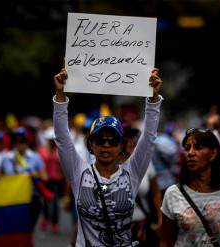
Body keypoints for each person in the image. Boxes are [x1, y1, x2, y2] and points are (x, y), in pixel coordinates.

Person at [53, 67, 163, 246]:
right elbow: (62, 139)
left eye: (112, 141)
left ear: (121, 145)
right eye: (100, 140)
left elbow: (149, 138)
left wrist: (153, 99)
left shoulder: (132, 173)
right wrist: (60, 95)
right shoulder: (78, 172)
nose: (106, 145)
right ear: (91, 144)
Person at [160, 128, 220, 247]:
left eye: (198, 147)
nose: (190, 153)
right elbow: (165, 240)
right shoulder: (173, 193)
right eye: (187, 147)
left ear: (213, 154)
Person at [119, 126, 162, 247]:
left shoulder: (146, 163)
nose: (132, 142)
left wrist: (160, 219)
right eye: (128, 138)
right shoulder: (111, 166)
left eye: (136, 139)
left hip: (142, 226)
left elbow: (156, 192)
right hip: (117, 229)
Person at [38, 127, 65, 233]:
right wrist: (41, 174)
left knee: (54, 202)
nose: (52, 141)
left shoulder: (59, 150)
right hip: (45, 179)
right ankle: (45, 219)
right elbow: (39, 164)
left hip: (56, 180)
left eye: (53, 139)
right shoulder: (42, 150)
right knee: (45, 200)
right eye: (50, 139)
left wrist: (63, 177)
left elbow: (62, 166)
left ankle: (54, 223)